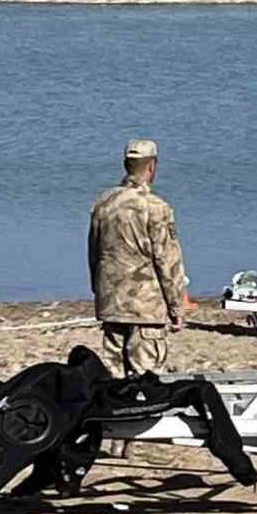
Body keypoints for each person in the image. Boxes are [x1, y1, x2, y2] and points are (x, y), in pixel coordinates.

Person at [88, 138, 187, 376]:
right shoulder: (155, 207)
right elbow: (168, 261)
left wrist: (99, 291)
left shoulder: (104, 202)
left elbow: (94, 253)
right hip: (146, 308)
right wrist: (176, 308)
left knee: (114, 380)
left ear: (125, 165)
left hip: (111, 303)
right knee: (147, 380)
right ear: (152, 166)